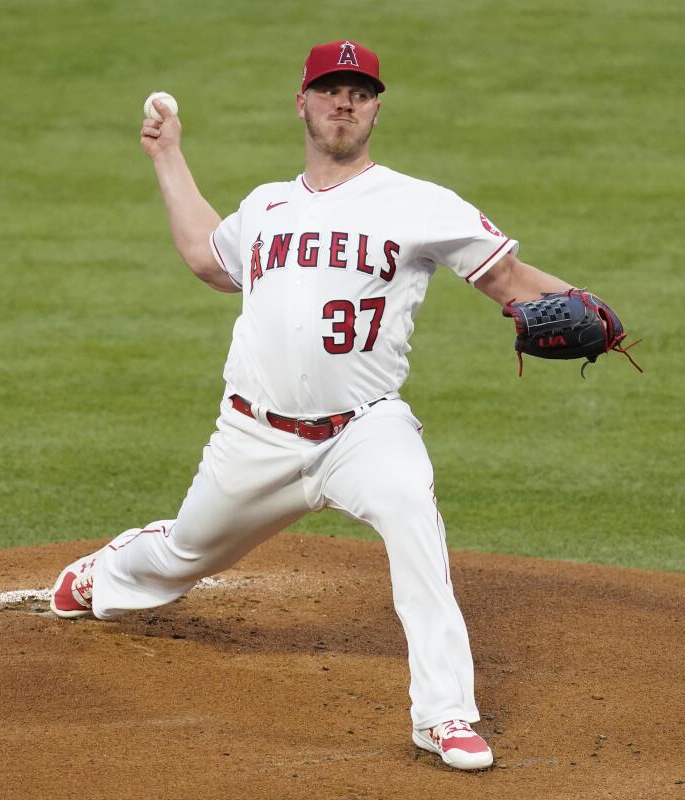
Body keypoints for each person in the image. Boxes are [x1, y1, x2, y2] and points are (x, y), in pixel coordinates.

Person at [50, 39, 581, 771]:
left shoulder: (418, 203)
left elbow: (508, 279)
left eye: (359, 93)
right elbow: (209, 259)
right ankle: (105, 576)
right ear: (301, 101)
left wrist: (587, 305)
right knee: (185, 554)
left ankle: (446, 715)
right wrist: (167, 155)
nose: (344, 103)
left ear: (376, 108)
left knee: (412, 519)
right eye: (330, 90)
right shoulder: (266, 205)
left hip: (364, 431)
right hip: (254, 436)